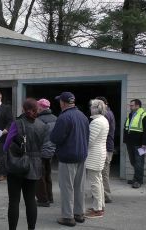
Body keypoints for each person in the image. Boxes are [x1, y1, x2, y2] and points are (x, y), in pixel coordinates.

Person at [3, 98, 48, 230]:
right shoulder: (42, 125)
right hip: (35, 165)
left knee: (14, 201)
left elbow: (6, 145)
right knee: (30, 200)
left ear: (23, 109)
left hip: (17, 165)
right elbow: (44, 146)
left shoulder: (17, 123)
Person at [50, 92, 89, 227]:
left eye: (60, 101)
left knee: (67, 188)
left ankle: (68, 216)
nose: (59, 103)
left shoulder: (64, 117)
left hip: (68, 157)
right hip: (81, 156)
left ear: (63, 102)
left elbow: (55, 138)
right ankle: (79, 213)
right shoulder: (83, 116)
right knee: (79, 186)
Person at [85, 99, 109, 218]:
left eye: (92, 107)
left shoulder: (96, 122)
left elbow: (89, 141)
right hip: (99, 153)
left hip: (94, 155)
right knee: (98, 181)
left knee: (95, 183)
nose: (90, 109)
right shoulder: (103, 120)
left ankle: (97, 210)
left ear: (96, 108)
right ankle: (100, 205)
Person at [123, 99, 146, 189]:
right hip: (130, 143)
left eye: (132, 105)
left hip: (140, 144)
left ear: (137, 106)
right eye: (130, 105)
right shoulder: (131, 115)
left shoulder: (145, 116)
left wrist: (145, 143)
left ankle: (138, 181)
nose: (130, 107)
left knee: (139, 162)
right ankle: (135, 178)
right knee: (133, 161)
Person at [35, 98, 57, 207]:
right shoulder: (56, 119)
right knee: (48, 175)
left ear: (40, 108)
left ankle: (43, 200)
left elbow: (36, 138)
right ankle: (50, 197)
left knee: (39, 176)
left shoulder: (38, 120)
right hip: (51, 151)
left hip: (41, 151)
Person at [96, 96, 115, 203]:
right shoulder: (108, 113)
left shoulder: (105, 115)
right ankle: (102, 194)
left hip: (105, 147)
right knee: (102, 173)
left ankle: (106, 196)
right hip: (107, 146)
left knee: (103, 173)